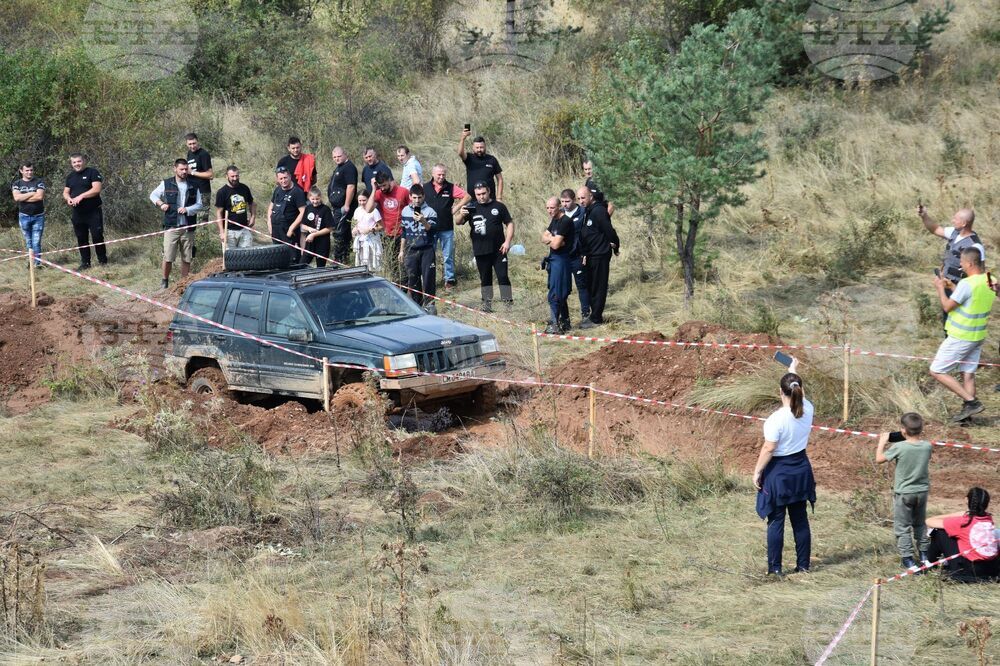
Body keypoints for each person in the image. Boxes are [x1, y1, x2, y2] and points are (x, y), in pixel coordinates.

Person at [753, 360, 816, 576]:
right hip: (801, 470)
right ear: (798, 390)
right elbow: (801, 392)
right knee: (800, 519)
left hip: (779, 472)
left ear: (779, 392)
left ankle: (776, 568)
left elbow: (769, 448)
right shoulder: (808, 408)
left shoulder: (774, 420)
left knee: (776, 520)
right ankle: (803, 565)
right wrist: (793, 372)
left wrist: (758, 471)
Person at [930, 247, 996, 422]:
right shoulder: (991, 279)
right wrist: (953, 286)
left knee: (936, 370)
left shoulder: (967, 284)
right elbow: (972, 297)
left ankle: (971, 402)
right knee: (968, 373)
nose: (960, 265)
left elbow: (947, 306)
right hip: (978, 335)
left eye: (961, 262)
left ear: (970, 263)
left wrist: (940, 288)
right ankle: (967, 417)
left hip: (961, 335)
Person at [876, 413, 933, 571]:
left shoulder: (899, 447)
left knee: (902, 526)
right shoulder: (927, 446)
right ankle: (924, 555)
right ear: (921, 429)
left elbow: (879, 459)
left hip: (904, 493)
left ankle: (908, 559)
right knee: (920, 524)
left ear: (903, 430)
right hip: (921, 491)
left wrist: (882, 441)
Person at [457, 182, 514, 312]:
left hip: (499, 250)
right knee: (485, 278)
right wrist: (461, 213)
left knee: (503, 276)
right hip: (481, 250)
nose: (481, 197)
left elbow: (509, 223)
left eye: (483, 193)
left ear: (489, 192)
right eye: (478, 194)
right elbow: (458, 222)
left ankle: (508, 304)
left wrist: (507, 241)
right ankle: (487, 305)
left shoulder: (499, 206)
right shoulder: (471, 207)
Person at [919, 205, 984, 316]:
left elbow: (981, 272)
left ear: (964, 223)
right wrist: (924, 216)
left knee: (956, 315)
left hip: (960, 288)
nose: (952, 221)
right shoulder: (954, 233)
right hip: (947, 284)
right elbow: (935, 229)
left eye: (955, 219)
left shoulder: (975, 246)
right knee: (947, 316)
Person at [150, 159, 204, 289]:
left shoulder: (194, 185)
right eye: (181, 169)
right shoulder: (166, 183)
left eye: (186, 169)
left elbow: (200, 204)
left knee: (187, 257)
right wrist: (161, 204)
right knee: (168, 257)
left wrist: (188, 210)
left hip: (188, 227)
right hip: (171, 226)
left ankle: (183, 284)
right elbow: (153, 195)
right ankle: (165, 281)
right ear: (175, 169)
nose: (184, 171)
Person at [926, 487, 999, 582]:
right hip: (991, 568)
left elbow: (929, 521)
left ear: (966, 500)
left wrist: (958, 514)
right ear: (987, 503)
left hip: (970, 569)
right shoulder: (988, 519)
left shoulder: (964, 521)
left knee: (939, 532)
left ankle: (929, 564)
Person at [576, 186, 619, 329]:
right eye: (579, 199)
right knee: (591, 286)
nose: (581, 201)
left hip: (600, 254)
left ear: (591, 197)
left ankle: (596, 318)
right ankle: (593, 315)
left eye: (583, 198)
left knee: (599, 286)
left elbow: (609, 230)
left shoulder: (599, 210)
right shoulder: (588, 211)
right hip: (591, 254)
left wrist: (615, 245)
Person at [424, 164, 470, 289]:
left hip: (446, 228)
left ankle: (449, 279)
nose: (441, 177)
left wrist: (456, 207)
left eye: (443, 174)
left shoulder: (450, 187)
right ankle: (429, 280)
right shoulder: (425, 187)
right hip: (429, 228)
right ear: (433, 174)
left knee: (448, 255)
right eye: (439, 174)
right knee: (429, 255)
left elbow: (467, 196)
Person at [63, 153, 107, 270]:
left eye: (79, 161)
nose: (77, 164)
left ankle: (103, 261)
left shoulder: (92, 172)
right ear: (71, 164)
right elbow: (66, 192)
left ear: (84, 161)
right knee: (81, 237)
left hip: (93, 211)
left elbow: (96, 189)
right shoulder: (70, 177)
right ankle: (85, 263)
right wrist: (68, 199)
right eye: (74, 162)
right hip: (78, 213)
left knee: (97, 236)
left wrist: (81, 196)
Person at [399, 184, 438, 312]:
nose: (417, 200)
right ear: (410, 197)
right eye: (414, 197)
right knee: (413, 279)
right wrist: (401, 250)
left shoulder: (430, 211)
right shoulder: (405, 211)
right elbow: (403, 232)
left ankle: (430, 306)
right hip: (411, 250)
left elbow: (432, 230)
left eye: (419, 197)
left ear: (424, 196)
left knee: (428, 279)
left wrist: (423, 220)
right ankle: (417, 307)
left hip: (427, 249)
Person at [364, 172, 409, 281]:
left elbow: (412, 209)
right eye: (380, 186)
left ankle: (407, 288)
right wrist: (374, 189)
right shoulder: (379, 193)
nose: (383, 188)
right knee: (392, 264)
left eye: (384, 185)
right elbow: (368, 209)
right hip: (387, 235)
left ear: (390, 181)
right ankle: (397, 286)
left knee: (404, 264)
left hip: (403, 234)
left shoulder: (403, 191)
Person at [541, 196, 574, 334]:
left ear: (559, 206)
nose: (549, 210)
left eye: (552, 207)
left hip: (562, 260)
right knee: (557, 291)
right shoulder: (554, 220)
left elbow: (554, 245)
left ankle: (555, 324)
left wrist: (553, 240)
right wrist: (553, 239)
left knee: (556, 293)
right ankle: (564, 321)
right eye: (547, 208)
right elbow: (543, 237)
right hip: (554, 260)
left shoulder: (565, 221)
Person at [560, 187, 590, 322]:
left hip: (577, 255)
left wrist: (586, 252)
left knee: (582, 285)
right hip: (562, 256)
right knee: (562, 287)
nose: (565, 204)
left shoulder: (583, 212)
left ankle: (585, 313)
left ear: (573, 200)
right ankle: (564, 318)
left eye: (567, 201)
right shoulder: (560, 214)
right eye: (562, 202)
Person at [327, 146, 358, 264]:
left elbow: (351, 186)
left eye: (339, 156)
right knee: (341, 232)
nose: (336, 159)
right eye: (334, 157)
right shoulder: (340, 167)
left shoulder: (349, 167)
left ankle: (339, 259)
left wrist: (346, 205)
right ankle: (342, 258)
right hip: (337, 207)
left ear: (345, 155)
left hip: (343, 208)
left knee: (340, 233)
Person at [267, 166, 307, 257]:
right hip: (276, 229)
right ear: (277, 179)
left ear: (290, 176)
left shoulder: (297, 192)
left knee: (291, 256)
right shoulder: (277, 190)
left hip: (289, 231)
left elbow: (303, 211)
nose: (283, 181)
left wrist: (291, 228)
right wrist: (269, 223)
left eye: (285, 178)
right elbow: (270, 207)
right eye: (281, 179)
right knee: (277, 255)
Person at [11, 162, 45, 267]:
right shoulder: (17, 184)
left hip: (38, 216)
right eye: (27, 170)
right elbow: (17, 198)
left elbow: (39, 197)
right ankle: (30, 262)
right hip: (24, 216)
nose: (29, 172)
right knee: (28, 242)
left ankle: (37, 264)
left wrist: (24, 197)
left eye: (31, 170)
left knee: (36, 241)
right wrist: (32, 193)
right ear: (21, 171)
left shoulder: (39, 182)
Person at [214, 165, 255, 249]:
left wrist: (253, 217)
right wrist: (221, 232)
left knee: (247, 257)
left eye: (237, 175)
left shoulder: (244, 188)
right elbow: (219, 212)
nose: (235, 178)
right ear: (226, 176)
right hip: (229, 231)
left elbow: (252, 203)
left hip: (244, 229)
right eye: (232, 176)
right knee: (231, 259)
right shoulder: (222, 192)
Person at [457, 130, 503, 200]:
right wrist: (463, 138)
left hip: (490, 199)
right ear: (473, 148)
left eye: (481, 147)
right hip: (472, 200)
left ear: (485, 147)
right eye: (477, 147)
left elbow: (500, 179)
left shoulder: (492, 159)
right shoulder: (469, 158)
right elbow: (460, 153)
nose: (479, 149)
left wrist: (499, 197)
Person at [301, 187, 334, 267]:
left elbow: (330, 228)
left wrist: (314, 234)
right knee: (302, 264)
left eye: (317, 199)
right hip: (310, 242)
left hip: (322, 243)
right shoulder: (308, 208)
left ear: (320, 197)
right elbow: (302, 224)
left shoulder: (326, 209)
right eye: (313, 199)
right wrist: (309, 229)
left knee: (320, 267)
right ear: (309, 198)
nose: (315, 201)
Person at [352, 191, 383, 271]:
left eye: (364, 200)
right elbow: (356, 223)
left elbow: (381, 226)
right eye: (360, 201)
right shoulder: (357, 210)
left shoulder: (374, 211)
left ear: (369, 199)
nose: (362, 203)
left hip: (372, 240)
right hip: (361, 240)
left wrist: (370, 229)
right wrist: (355, 229)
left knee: (374, 265)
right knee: (362, 263)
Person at [185, 132, 214, 205]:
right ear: (186, 144)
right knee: (191, 215)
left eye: (194, 143)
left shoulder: (203, 154)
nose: (192, 146)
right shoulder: (189, 153)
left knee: (202, 216)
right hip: (191, 190)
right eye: (190, 144)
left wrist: (192, 172)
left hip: (203, 192)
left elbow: (210, 175)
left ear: (198, 142)